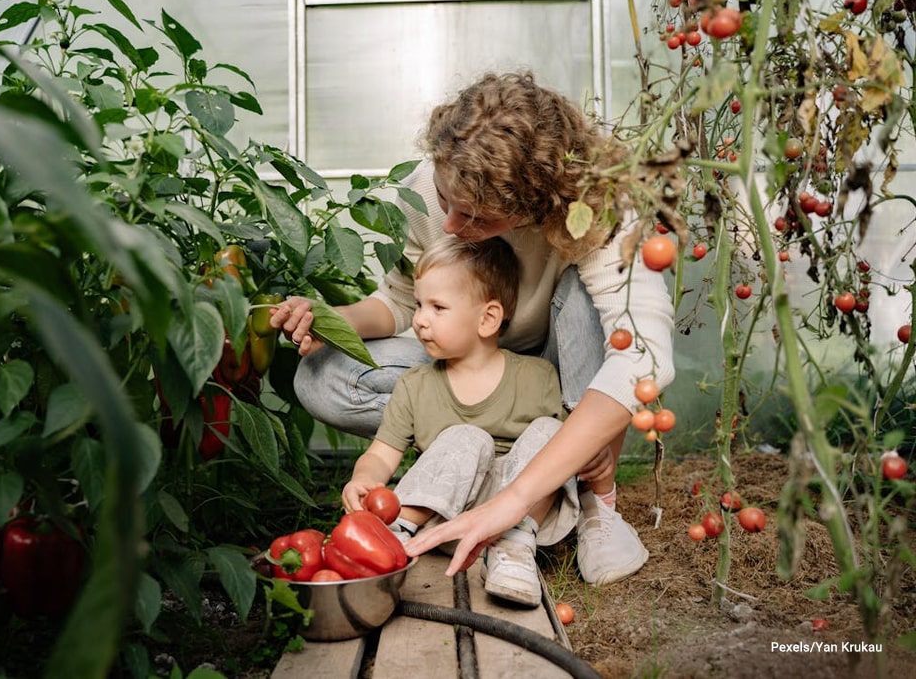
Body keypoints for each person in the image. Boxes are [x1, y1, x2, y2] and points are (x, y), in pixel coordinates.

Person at [272, 71, 675, 586]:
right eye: (446, 203)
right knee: (322, 376)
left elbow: (643, 354)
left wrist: (513, 502)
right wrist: (330, 320)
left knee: (586, 303)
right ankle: (478, 461)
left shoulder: (598, 207)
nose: (452, 228)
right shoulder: (428, 186)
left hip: (554, 378)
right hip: (465, 360)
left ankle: (593, 499)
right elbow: (400, 301)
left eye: (480, 220)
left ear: (536, 206)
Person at [341, 236, 575, 607]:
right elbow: (381, 455)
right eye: (419, 305)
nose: (419, 319)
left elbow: (568, 459)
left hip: (518, 517)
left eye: (437, 307)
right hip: (443, 517)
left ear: (488, 318)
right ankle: (399, 532)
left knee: (554, 433)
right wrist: (363, 479)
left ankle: (513, 551)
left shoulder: (538, 378)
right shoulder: (415, 385)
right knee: (468, 438)